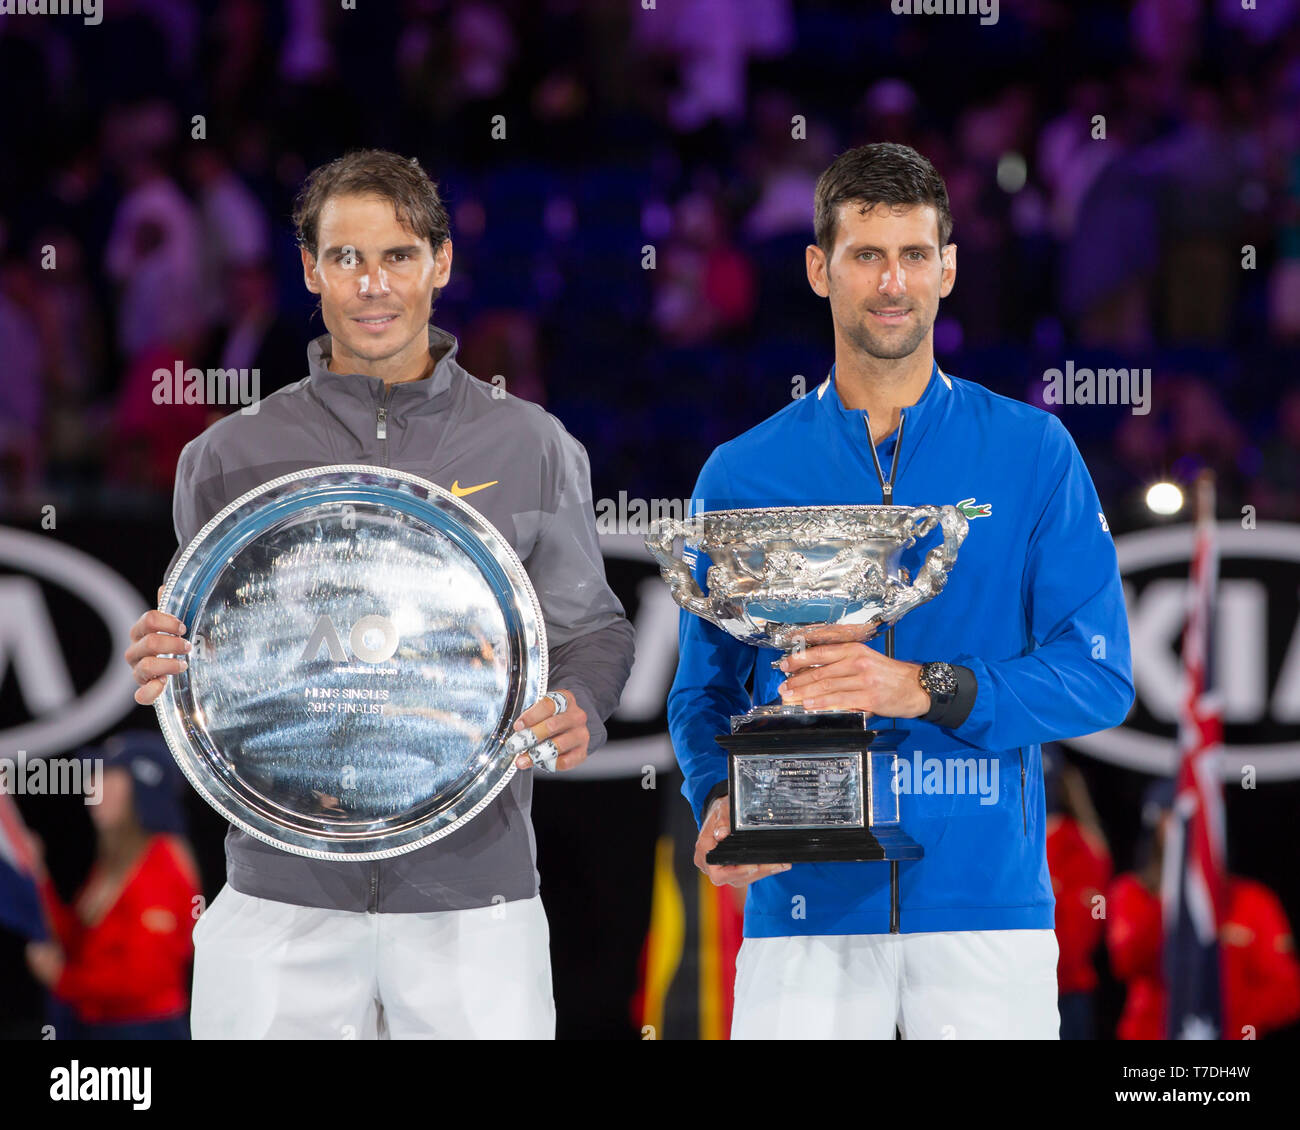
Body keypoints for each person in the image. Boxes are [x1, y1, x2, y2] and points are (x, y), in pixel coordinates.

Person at [122, 149, 635, 1039]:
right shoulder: (224, 457)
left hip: (475, 895)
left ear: (441, 263)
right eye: (346, 258)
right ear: (311, 270)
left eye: (398, 256)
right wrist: (168, 655)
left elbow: (592, 630)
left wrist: (580, 700)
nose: (373, 285)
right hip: (278, 894)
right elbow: (209, 645)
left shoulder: (532, 443)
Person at [667, 142, 1135, 1040]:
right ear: (819, 268)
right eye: (866, 255)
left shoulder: (1034, 453)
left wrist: (922, 687)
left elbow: (1098, 675)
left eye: (915, 255)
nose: (893, 283)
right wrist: (717, 797)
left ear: (949, 268)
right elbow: (705, 690)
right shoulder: (742, 473)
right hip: (800, 906)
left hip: (985, 911)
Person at [25, 731, 201, 1039]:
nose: (91, 786)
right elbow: (77, 941)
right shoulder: (116, 860)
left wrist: (63, 980)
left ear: (142, 789)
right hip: (99, 1028)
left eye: (107, 777)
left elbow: (144, 980)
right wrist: (36, 874)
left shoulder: (163, 865)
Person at [1107, 780, 1300, 1040]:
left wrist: (1223, 1019)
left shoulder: (1253, 900)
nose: (1190, 829)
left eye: (1202, 818)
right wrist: (1172, 897)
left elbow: (1289, 989)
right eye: (1175, 820)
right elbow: (1127, 962)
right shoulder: (1132, 893)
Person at [1042, 744, 1111, 1040]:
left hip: (1065, 992)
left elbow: (1080, 935)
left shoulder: (1083, 846)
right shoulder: (999, 838)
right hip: (1009, 983)